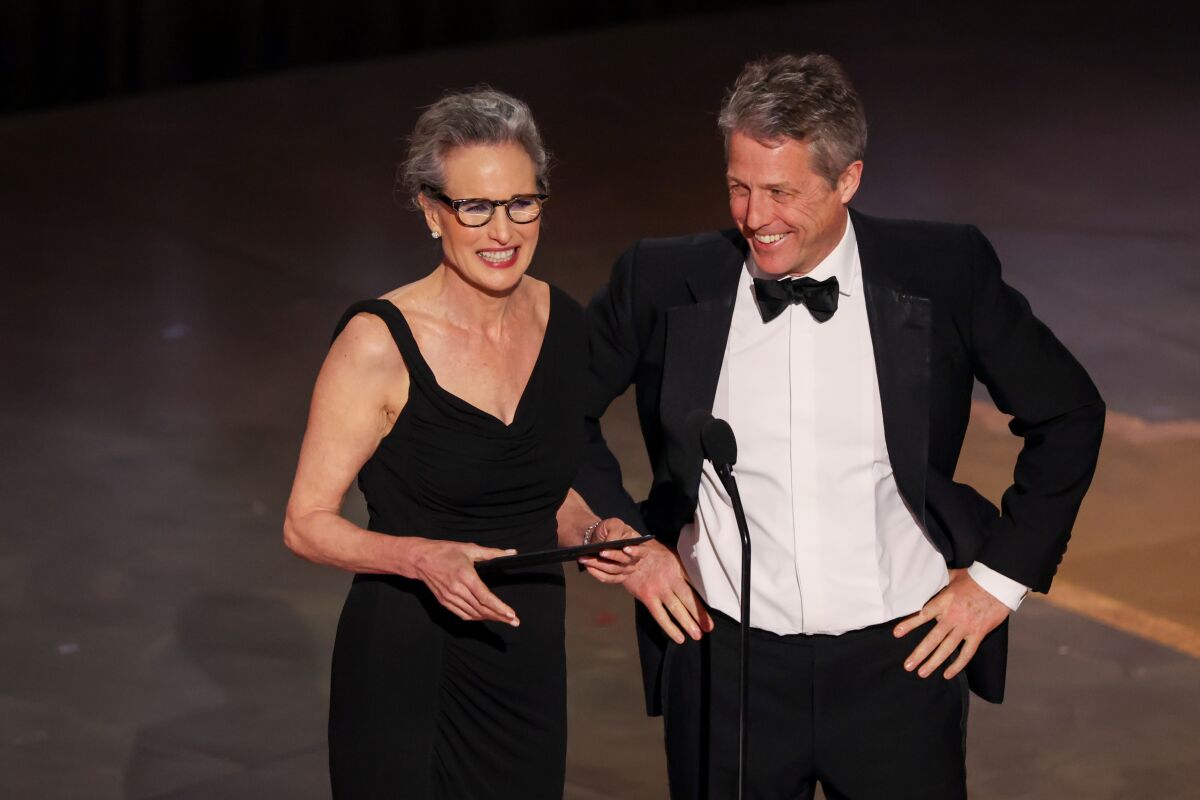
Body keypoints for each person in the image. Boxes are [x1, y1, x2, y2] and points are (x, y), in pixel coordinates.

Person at [569, 54, 1105, 799]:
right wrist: (629, 545)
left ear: (847, 179)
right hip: (724, 666)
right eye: (739, 187)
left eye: (781, 192)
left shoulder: (943, 269)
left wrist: (998, 582)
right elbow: (553, 414)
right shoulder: (661, 280)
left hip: (903, 665)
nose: (754, 218)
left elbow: (1069, 412)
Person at [283, 88, 636, 799]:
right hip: (409, 660)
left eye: (521, 203)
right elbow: (305, 524)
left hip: (525, 651)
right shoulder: (378, 344)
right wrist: (423, 558)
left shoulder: (563, 324)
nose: (501, 230)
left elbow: (536, 482)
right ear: (431, 211)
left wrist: (592, 527)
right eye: (475, 207)